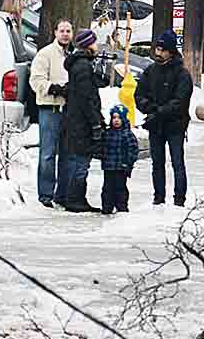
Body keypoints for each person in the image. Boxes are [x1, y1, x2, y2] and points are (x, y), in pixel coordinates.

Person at [136, 30, 194, 206]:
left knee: (177, 162)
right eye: (157, 49)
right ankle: (158, 197)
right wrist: (149, 108)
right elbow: (139, 95)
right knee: (157, 163)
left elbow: (180, 101)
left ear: (171, 51)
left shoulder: (182, 74)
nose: (158, 53)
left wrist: (159, 111)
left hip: (175, 125)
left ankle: (179, 200)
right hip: (155, 124)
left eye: (163, 50)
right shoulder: (150, 71)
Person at [58, 29, 106, 213]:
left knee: (77, 159)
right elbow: (87, 98)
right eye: (94, 42)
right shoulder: (83, 67)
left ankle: (70, 196)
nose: (97, 45)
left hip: (75, 119)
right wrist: (95, 122)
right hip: (81, 122)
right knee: (81, 162)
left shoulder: (79, 65)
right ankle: (75, 198)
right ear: (88, 44)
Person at [29, 19, 75, 208]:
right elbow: (36, 80)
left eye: (68, 31)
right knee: (48, 154)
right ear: (55, 32)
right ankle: (46, 194)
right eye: (62, 30)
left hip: (69, 110)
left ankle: (62, 194)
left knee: (67, 153)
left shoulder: (73, 54)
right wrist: (54, 89)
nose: (65, 34)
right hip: (50, 108)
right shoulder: (45, 54)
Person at [99, 106, 140, 215]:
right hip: (109, 166)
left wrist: (128, 162)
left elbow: (133, 150)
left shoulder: (127, 134)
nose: (116, 120)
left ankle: (122, 207)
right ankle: (107, 207)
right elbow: (102, 148)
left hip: (121, 167)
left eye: (119, 118)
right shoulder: (107, 133)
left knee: (120, 188)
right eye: (114, 118)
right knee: (107, 188)